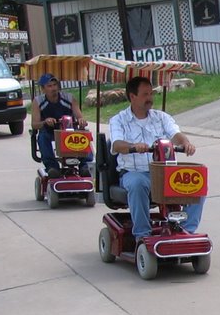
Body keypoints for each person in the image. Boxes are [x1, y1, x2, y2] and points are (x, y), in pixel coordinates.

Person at [108, 76, 204, 247]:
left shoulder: (161, 117)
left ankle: (186, 231)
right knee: (138, 184)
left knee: (197, 182)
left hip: (163, 172)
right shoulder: (119, 120)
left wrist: (185, 143)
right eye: (145, 94)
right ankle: (142, 237)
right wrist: (133, 146)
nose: (150, 98)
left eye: (151, 94)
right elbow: (117, 144)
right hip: (134, 172)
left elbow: (175, 134)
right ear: (132, 97)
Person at [31, 73, 91, 178]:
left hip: (69, 130)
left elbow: (79, 116)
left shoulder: (69, 98)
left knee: (84, 134)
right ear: (43, 89)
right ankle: (52, 167)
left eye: (55, 85)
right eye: (49, 86)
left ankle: (85, 165)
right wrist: (45, 121)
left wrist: (81, 121)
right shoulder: (38, 101)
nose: (53, 88)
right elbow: (34, 124)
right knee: (42, 137)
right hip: (50, 132)